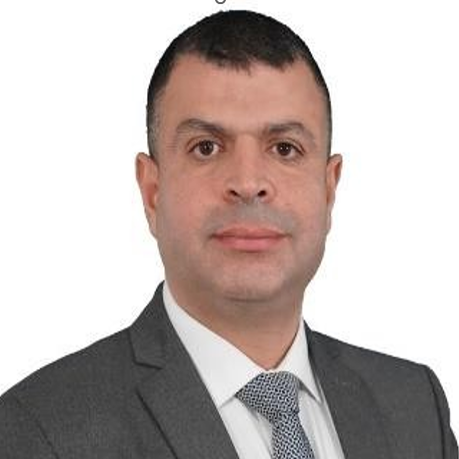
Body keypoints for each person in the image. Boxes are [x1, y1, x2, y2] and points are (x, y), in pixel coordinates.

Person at [0, 9, 456, 459]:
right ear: (153, 192)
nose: (248, 182)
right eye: (207, 147)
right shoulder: (40, 430)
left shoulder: (415, 404)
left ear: (329, 189)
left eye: (285, 148)